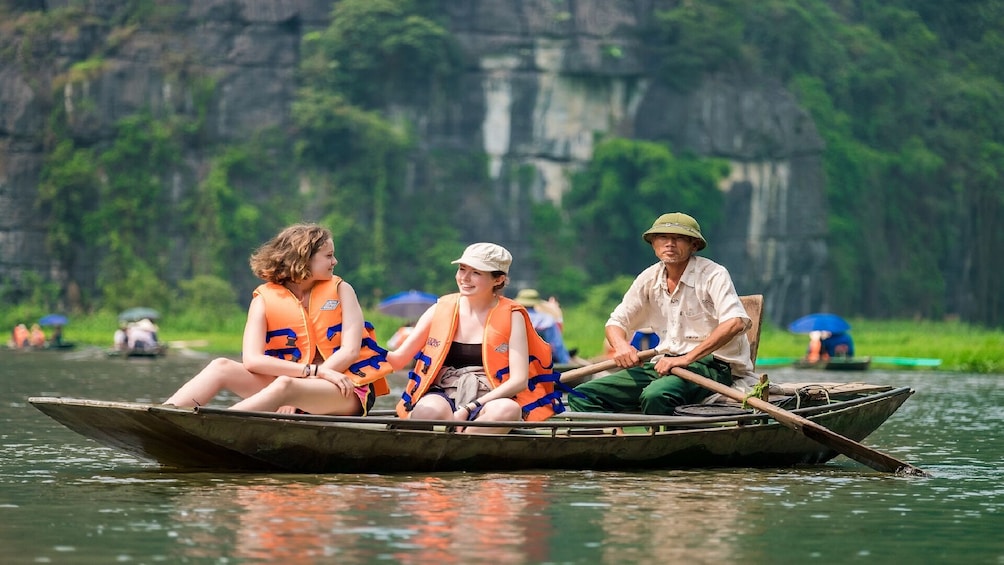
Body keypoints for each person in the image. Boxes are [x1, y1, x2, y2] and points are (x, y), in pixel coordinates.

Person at [163, 223, 392, 416]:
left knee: (286, 385)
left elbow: (350, 352)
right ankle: (165, 415)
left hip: (346, 390)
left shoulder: (343, 290)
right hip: (294, 386)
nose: (335, 262)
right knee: (220, 366)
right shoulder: (263, 299)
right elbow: (252, 360)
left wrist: (300, 389)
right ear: (302, 259)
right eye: (329, 256)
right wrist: (312, 372)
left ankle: (215, 424)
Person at [568, 212, 757, 415]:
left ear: (694, 245)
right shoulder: (649, 278)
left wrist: (687, 359)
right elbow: (616, 321)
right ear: (653, 244)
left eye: (679, 238)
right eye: (663, 238)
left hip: (712, 366)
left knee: (655, 396)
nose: (670, 244)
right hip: (664, 364)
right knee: (582, 395)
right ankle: (616, 441)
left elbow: (735, 322)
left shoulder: (713, 275)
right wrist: (622, 346)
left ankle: (663, 443)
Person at [387, 243, 564, 434]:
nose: (465, 278)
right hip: (446, 390)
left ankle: (465, 444)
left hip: (491, 396)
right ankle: (447, 441)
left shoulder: (513, 316)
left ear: (498, 279)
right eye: (462, 269)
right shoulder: (441, 308)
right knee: (425, 410)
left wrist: (469, 408)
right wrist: (357, 349)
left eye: (476, 273)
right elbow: (398, 360)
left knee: (508, 409)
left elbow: (519, 381)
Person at [514, 288, 571, 364]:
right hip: (542, 361)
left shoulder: (512, 318)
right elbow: (557, 345)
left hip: (517, 360)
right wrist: (565, 362)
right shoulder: (547, 320)